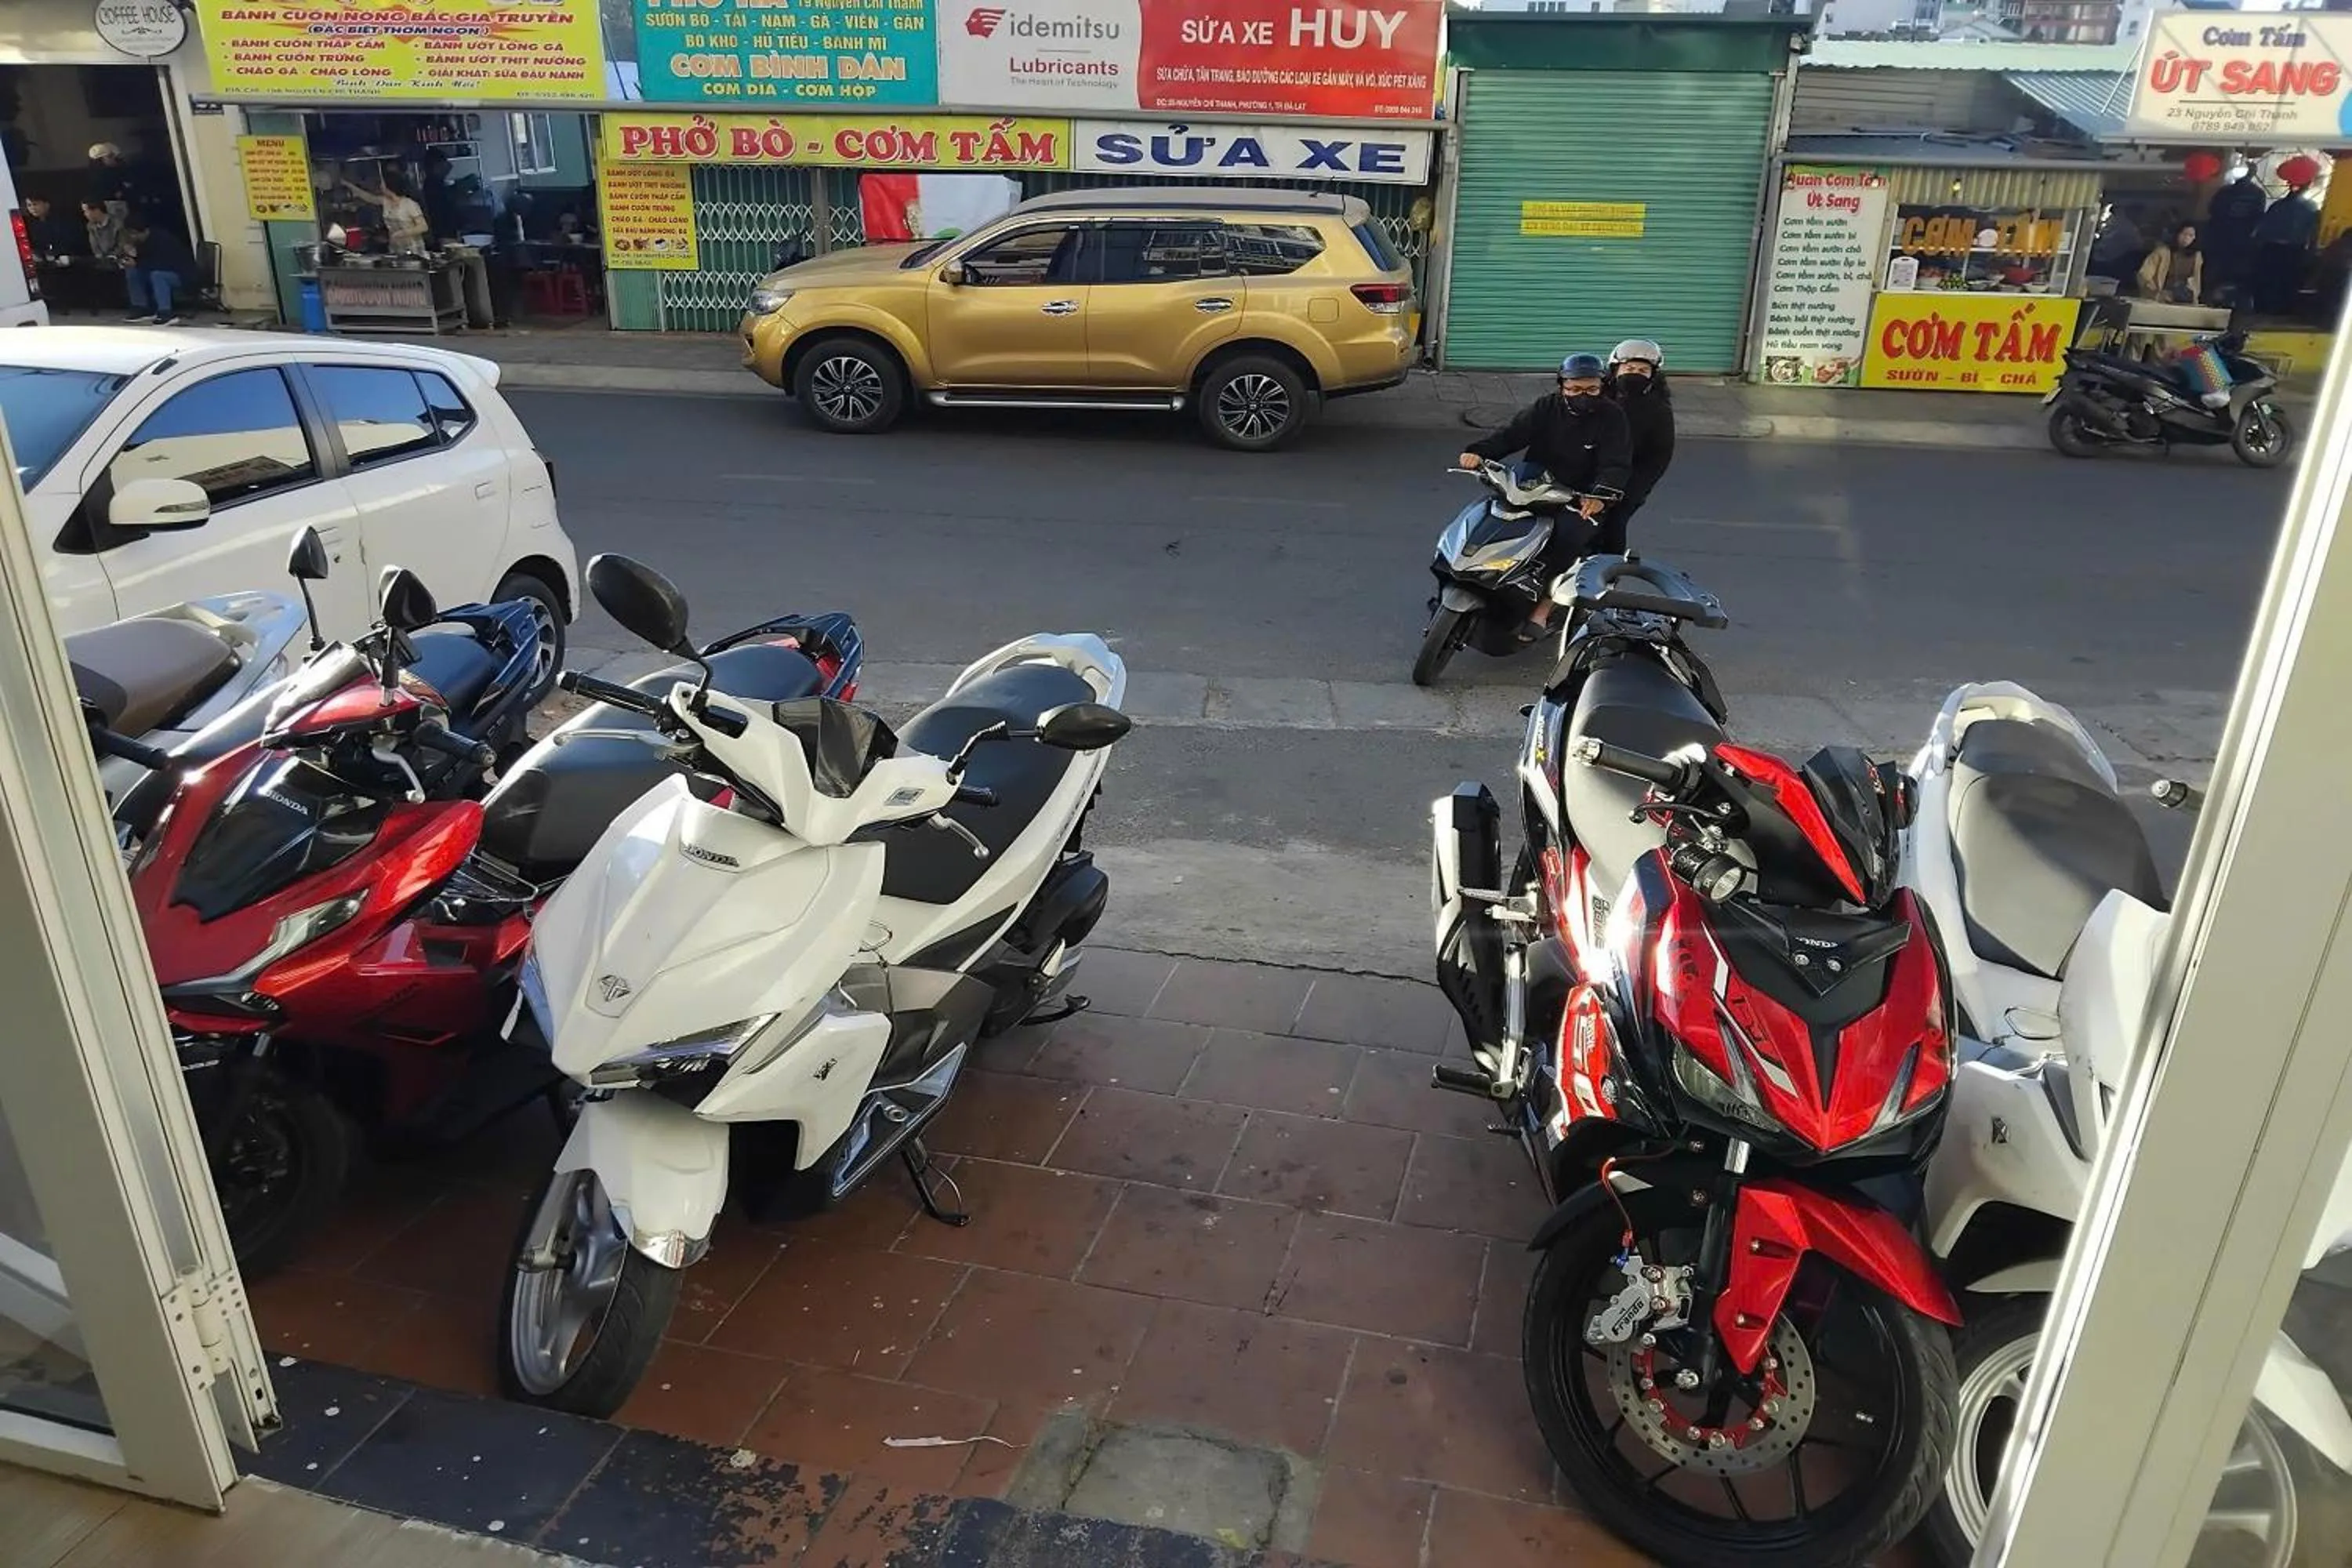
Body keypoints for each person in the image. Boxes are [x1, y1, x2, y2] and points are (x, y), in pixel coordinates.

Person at [1456, 352, 1632, 632]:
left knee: (1569, 538)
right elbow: (1513, 435)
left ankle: (1544, 607)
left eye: (1591, 390)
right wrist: (1478, 452)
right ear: (1562, 386)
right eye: (1574, 389)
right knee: (1489, 516)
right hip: (1532, 486)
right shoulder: (1547, 407)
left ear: (1603, 387)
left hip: (1579, 497)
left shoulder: (1613, 416)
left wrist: (1599, 497)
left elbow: (1616, 463)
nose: (1582, 395)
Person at [1602, 339, 1675, 556]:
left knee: (1614, 524)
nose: (1635, 374)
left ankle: (1610, 567)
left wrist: (1631, 491)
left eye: (1643, 370)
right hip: (1592, 475)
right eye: (1630, 368)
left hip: (1628, 481)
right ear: (1616, 370)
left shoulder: (1658, 410)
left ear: (1653, 375)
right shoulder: (1600, 397)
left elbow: (1658, 457)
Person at [2252, 169, 2322, 315]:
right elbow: (2313, 234)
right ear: (2307, 186)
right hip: (2293, 252)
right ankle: (2280, 312)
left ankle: (2262, 309)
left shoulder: (2277, 206)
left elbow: (2262, 230)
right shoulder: (2311, 208)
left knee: (2267, 283)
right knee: (2286, 285)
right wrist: (2311, 253)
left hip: (2270, 250)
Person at [121, 219, 195, 325]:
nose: (133, 237)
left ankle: (165, 312)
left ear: (145, 231)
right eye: (130, 234)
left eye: (135, 234)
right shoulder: (142, 242)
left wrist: (137, 263)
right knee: (133, 272)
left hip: (181, 274)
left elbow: (161, 264)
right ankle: (141, 308)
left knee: (158, 276)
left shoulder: (163, 240)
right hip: (158, 270)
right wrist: (132, 256)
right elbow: (145, 261)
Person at [342, 169, 431, 255]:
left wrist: (403, 233)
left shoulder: (409, 204)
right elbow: (369, 197)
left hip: (413, 249)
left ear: (389, 186)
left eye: (383, 183)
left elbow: (423, 227)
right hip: (395, 248)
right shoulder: (385, 201)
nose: (381, 186)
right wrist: (349, 185)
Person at [2137, 223, 2205, 304]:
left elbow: (2196, 282)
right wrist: (2155, 292)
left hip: (2184, 300)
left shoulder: (2197, 256)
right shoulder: (2162, 252)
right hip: (2159, 299)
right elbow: (2144, 274)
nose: (2186, 238)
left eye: (2191, 235)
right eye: (2184, 234)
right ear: (2177, 234)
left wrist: (2192, 295)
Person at [80, 198, 125, 266]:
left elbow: (122, 246)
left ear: (96, 210)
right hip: (103, 263)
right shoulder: (91, 226)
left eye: (86, 211)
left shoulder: (117, 224)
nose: (85, 214)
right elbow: (95, 249)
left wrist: (112, 257)